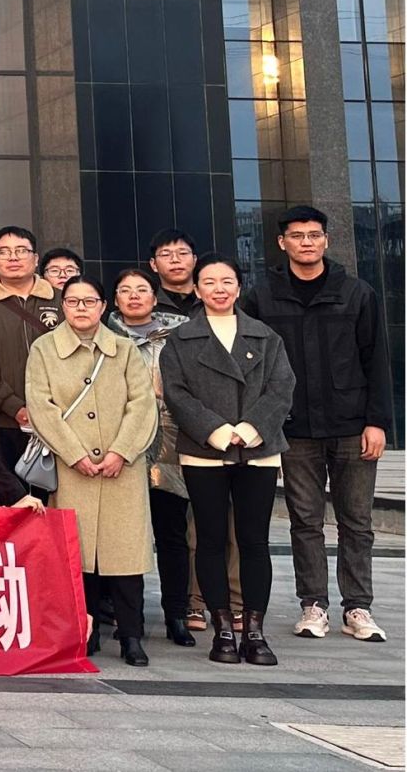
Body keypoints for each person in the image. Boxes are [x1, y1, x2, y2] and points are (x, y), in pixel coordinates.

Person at [248, 205, 394, 644]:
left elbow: (377, 360)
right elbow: (254, 367)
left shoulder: (356, 293)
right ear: (282, 243)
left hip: (351, 426)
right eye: (297, 236)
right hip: (294, 429)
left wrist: (377, 422)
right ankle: (313, 605)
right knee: (305, 521)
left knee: (357, 522)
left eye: (314, 235)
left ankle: (358, 607)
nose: (306, 242)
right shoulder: (262, 297)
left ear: (326, 240)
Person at [161, 254, 297, 665]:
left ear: (238, 287)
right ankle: (221, 628)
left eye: (227, 281)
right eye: (209, 282)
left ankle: (253, 631)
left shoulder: (265, 336)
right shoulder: (180, 340)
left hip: (259, 448)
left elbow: (282, 387)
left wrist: (251, 428)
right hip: (205, 449)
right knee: (210, 538)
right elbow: (176, 393)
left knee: (254, 540)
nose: (218, 289)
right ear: (196, 289)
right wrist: (218, 431)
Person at [28, 275, 160, 665]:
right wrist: (74, 454)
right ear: (62, 306)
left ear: (103, 306)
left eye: (89, 301)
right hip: (73, 468)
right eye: (72, 301)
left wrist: (121, 451)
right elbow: (41, 406)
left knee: (125, 558)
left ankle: (131, 636)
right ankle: (82, 634)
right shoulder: (44, 349)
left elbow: (142, 404)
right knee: (77, 555)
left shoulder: (124, 349)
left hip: (123, 468)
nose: (81, 308)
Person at [105, 265, 198, 647]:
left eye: (141, 289)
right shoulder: (104, 336)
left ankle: (177, 613)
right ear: (114, 300)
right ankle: (129, 617)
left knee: (172, 533)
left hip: (171, 445)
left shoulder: (180, 337)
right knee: (125, 537)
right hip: (121, 447)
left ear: (154, 296)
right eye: (125, 290)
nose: (134, 296)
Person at [0, 225, 62, 459]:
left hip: (60, 419)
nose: (13, 257)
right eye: (4, 252)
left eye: (21, 250)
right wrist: (14, 407)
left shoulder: (62, 301)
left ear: (36, 258)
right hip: (1, 423)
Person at [147, 230, 205, 317]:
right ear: (153, 264)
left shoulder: (210, 299)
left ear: (194, 260)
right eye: (165, 254)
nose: (175, 259)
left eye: (183, 253)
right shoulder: (146, 303)